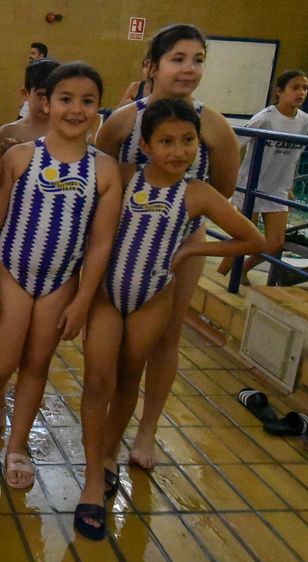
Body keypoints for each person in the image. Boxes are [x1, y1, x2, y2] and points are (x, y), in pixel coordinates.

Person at [76, 99, 266, 540]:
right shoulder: (124, 176)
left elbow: (255, 239)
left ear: (199, 144)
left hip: (153, 297)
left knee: (129, 378)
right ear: (144, 145)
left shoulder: (198, 194)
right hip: (106, 296)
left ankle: (108, 455)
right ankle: (91, 478)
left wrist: (194, 249)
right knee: (97, 381)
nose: (178, 151)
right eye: (165, 141)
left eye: (187, 141)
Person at [94, 25, 240, 469]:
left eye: (198, 60)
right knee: (110, 340)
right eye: (178, 58)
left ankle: (147, 429)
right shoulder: (124, 122)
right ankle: (103, 425)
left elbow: (223, 189)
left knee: (167, 334)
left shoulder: (213, 126)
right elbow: (99, 177)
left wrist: (179, 215)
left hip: (179, 241)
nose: (189, 69)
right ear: (152, 66)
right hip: (121, 242)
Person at [0, 62, 121, 490]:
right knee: (0, 362)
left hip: (60, 281)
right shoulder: (21, 157)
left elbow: (100, 244)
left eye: (87, 101)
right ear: (46, 103)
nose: (76, 109)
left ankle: (17, 445)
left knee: (37, 364)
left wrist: (82, 300)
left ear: (98, 108)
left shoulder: (105, 170)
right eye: (66, 99)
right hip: (12, 273)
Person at [219, 70, 308, 282]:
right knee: (244, 240)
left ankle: (242, 271)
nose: (301, 93)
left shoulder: (307, 122)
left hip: (278, 190)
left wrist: (289, 186)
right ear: (279, 91)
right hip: (252, 186)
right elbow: (235, 145)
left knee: (275, 243)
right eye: (295, 88)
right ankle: (218, 276)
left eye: (305, 88)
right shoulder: (264, 119)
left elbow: (295, 157)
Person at [0, 58, 58, 154]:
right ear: (26, 93)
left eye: (53, 96)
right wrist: (6, 155)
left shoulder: (67, 133)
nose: (47, 103)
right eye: (41, 95)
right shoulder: (8, 132)